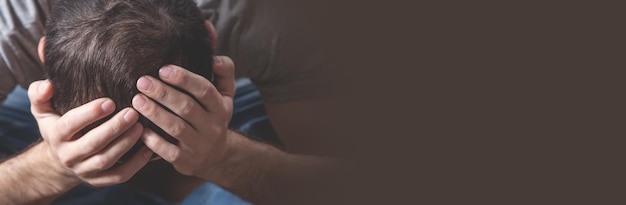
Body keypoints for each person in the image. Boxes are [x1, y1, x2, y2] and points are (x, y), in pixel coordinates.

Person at [1, 0, 344, 204]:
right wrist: (50, 166)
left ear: (214, 42)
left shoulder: (268, 22)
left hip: (226, 118)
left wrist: (225, 155)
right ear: (43, 55)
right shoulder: (9, 25)